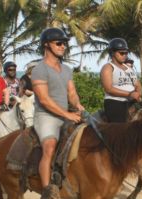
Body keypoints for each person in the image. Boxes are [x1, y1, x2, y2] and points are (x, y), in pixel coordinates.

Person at [32, 27, 84, 198]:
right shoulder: (40, 69)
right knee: (50, 147)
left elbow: (72, 93)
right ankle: (48, 191)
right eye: (59, 43)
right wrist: (67, 115)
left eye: (65, 44)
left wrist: (78, 105)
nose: (63, 47)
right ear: (47, 45)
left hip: (65, 113)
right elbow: (45, 100)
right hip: (46, 116)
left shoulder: (67, 69)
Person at [99, 38, 142, 123]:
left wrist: (138, 94)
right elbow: (109, 89)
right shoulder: (108, 68)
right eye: (121, 53)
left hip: (132, 102)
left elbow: (138, 85)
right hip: (115, 102)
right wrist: (130, 94)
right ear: (112, 53)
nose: (124, 55)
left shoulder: (129, 68)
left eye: (126, 53)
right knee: (121, 130)